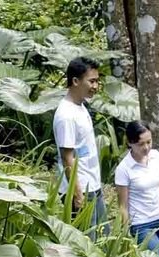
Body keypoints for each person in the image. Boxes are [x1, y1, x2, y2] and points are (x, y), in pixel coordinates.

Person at [53, 56, 109, 240]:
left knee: (103, 238)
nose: (95, 86)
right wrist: (77, 195)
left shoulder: (80, 107)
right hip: (81, 189)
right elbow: (67, 157)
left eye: (97, 81)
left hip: (92, 184)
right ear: (75, 81)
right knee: (86, 243)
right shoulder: (66, 115)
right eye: (91, 81)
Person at [115, 121, 159, 257]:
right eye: (141, 144)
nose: (146, 147)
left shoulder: (155, 156)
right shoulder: (124, 169)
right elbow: (123, 206)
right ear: (130, 143)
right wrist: (125, 233)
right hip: (142, 225)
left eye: (149, 142)